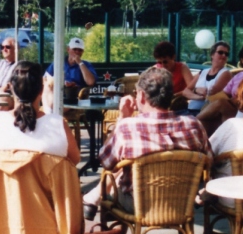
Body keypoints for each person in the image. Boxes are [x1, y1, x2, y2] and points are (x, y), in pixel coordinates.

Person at [83, 68, 208, 216]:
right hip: (182, 204)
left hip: (139, 205)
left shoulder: (127, 127)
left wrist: (122, 118)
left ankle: (95, 199)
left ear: (141, 96)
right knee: (128, 164)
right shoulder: (194, 125)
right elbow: (209, 160)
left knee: (121, 171)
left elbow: (106, 161)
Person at [0, 61, 80, 165]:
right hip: (44, 188)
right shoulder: (58, 125)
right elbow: (74, 160)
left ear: (11, 87)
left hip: (1, 188)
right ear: (41, 90)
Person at [196, 44, 243, 132]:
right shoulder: (238, 76)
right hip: (231, 108)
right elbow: (224, 93)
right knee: (206, 120)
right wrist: (211, 100)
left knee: (221, 103)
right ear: (242, 60)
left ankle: (194, 121)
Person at [186, 40, 233, 113]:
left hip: (206, 113)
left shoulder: (225, 73)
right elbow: (185, 91)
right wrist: (197, 94)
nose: (224, 55)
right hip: (191, 109)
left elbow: (211, 93)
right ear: (212, 55)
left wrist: (195, 91)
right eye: (220, 52)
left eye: (226, 54)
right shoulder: (203, 72)